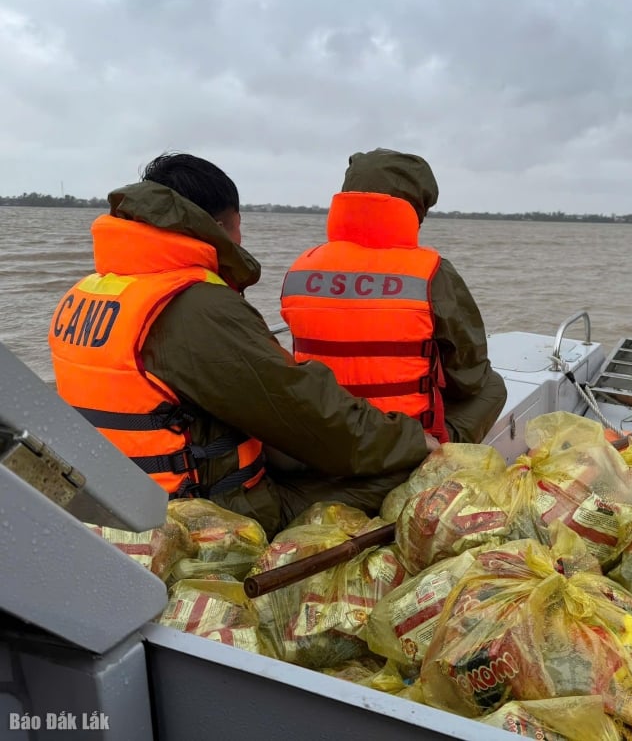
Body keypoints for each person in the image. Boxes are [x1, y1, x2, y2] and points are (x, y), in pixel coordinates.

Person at [48, 153, 439, 535]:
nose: (240, 238)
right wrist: (409, 439)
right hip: (203, 520)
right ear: (217, 226)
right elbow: (305, 411)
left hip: (116, 504)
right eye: (237, 226)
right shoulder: (197, 306)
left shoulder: (88, 292)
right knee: (399, 472)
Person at [280, 148, 507, 445]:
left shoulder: (301, 267)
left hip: (325, 430)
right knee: (492, 386)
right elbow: (468, 377)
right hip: (404, 441)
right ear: (415, 208)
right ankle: (442, 449)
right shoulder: (431, 271)